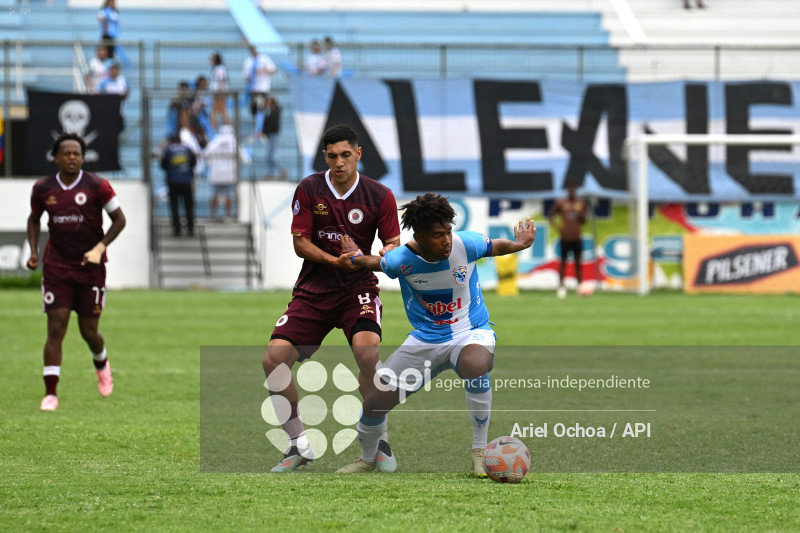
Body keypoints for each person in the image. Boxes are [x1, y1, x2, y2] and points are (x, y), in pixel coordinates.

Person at [335, 193, 536, 475]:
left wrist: (519, 243)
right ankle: (368, 460)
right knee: (374, 403)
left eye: (448, 232)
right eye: (438, 235)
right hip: (425, 339)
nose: (447, 240)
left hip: (470, 332)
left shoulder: (466, 244)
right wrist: (355, 257)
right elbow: (375, 263)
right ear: (419, 236)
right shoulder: (400, 260)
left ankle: (480, 451)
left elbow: (495, 246)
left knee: (475, 364)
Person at [262, 124, 401, 473]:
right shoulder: (310, 188)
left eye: (346, 155)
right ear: (325, 156)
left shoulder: (380, 195)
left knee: (368, 355)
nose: (339, 162)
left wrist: (374, 256)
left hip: (358, 289)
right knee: (273, 361)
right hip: (314, 290)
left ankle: (378, 442)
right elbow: (300, 243)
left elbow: (392, 248)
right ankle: (298, 445)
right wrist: (334, 260)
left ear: (358, 154)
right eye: (332, 156)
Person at [26, 133, 127, 411]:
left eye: (77, 154)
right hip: (57, 266)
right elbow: (34, 219)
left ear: (82, 158)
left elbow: (120, 220)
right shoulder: (43, 188)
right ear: (56, 157)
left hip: (90, 268)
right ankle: (50, 394)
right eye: (67, 153)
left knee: (89, 331)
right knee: (56, 325)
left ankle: (101, 364)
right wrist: (34, 251)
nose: (72, 157)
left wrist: (99, 248)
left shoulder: (98, 186)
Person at [548, 180, 589, 299]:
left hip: (577, 237)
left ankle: (580, 286)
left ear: (576, 189)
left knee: (578, 262)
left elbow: (584, 220)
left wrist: (579, 213)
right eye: (570, 188)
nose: (572, 190)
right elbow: (551, 216)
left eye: (574, 188)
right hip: (565, 237)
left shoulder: (581, 203)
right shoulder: (562, 202)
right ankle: (561, 286)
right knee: (563, 262)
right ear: (567, 189)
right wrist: (559, 228)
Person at [202, 124, 251, 220]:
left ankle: (213, 214)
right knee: (229, 195)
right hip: (229, 175)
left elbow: (205, 155)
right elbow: (245, 159)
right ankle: (227, 215)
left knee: (214, 194)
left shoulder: (214, 143)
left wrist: (211, 162)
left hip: (215, 174)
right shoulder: (234, 144)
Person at [161, 133, 197, 237]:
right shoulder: (187, 149)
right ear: (180, 140)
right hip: (186, 181)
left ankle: (177, 229)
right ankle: (190, 228)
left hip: (173, 182)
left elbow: (163, 165)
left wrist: (172, 170)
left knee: (174, 206)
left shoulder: (168, 150)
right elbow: (193, 162)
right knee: (188, 206)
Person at [242, 45, 277, 135]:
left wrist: (263, 70)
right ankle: (257, 129)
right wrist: (252, 74)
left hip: (262, 89)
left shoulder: (264, 59)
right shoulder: (248, 62)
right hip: (253, 89)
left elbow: (273, 69)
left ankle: (259, 130)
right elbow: (246, 78)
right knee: (254, 110)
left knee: (260, 109)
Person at [96, 59, 129, 129]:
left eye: (116, 69)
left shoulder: (123, 80)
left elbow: (127, 92)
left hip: (120, 112)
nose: (114, 71)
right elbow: (98, 93)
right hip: (107, 111)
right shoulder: (104, 81)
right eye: (113, 69)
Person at [261, 96, 288, 180]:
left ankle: (283, 169)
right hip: (271, 135)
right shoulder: (269, 112)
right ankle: (271, 174)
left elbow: (272, 124)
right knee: (269, 156)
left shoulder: (275, 111)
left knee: (272, 156)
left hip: (274, 135)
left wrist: (265, 131)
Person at [209, 51, 230, 131]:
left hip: (219, 93)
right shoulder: (216, 68)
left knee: (220, 111)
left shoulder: (220, 68)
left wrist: (220, 94)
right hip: (217, 93)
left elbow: (221, 81)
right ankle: (213, 130)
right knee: (217, 112)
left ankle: (213, 130)